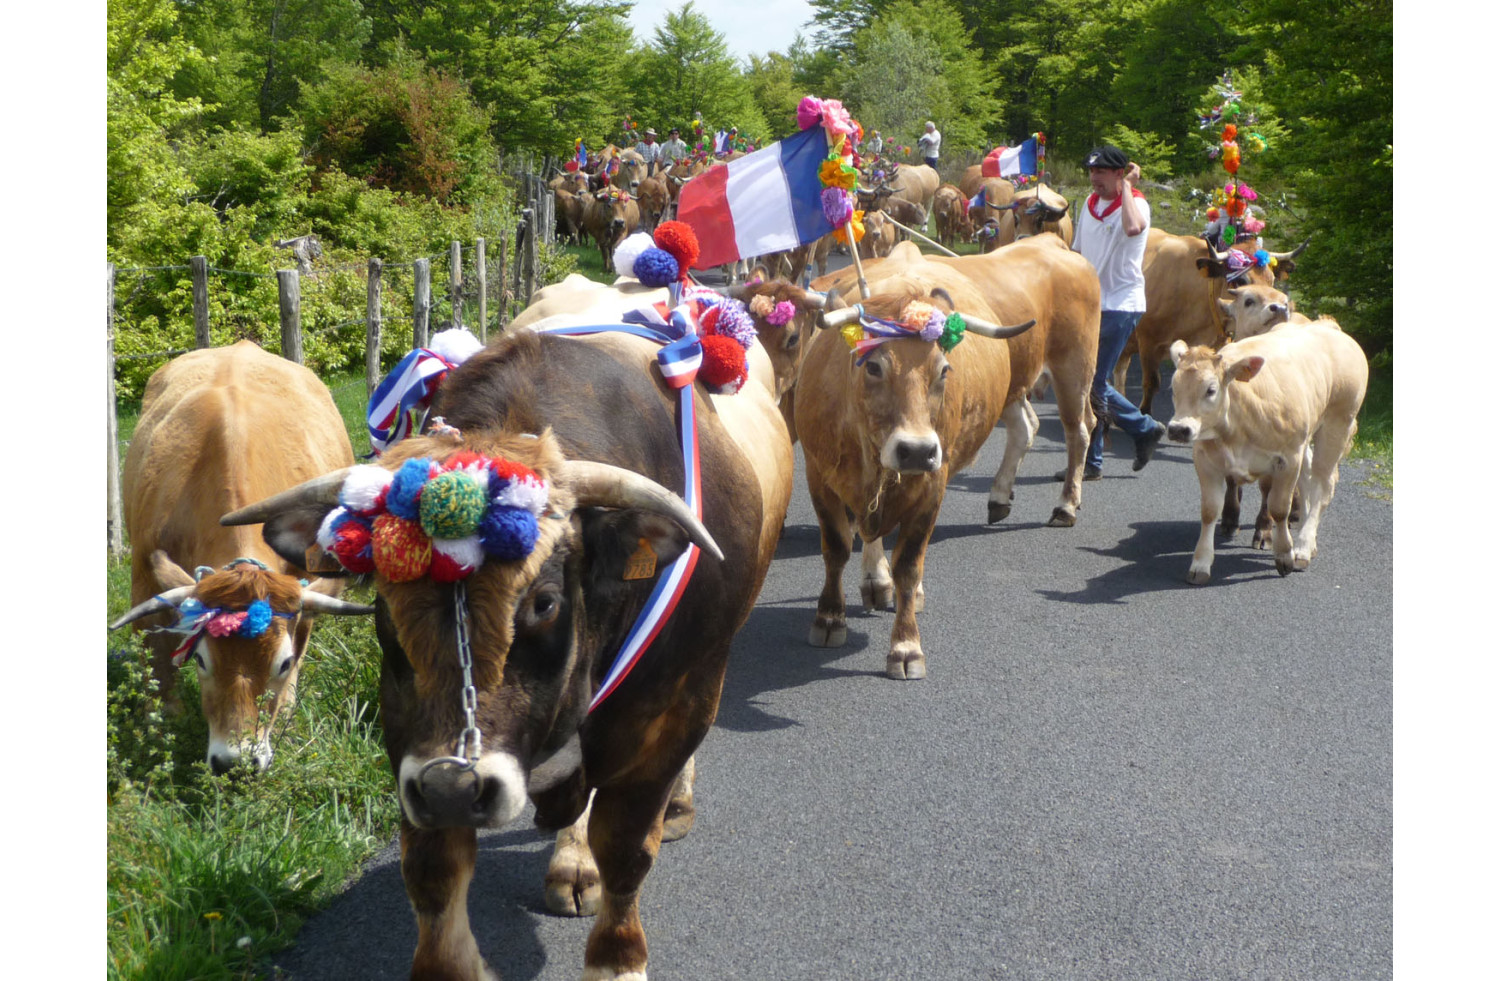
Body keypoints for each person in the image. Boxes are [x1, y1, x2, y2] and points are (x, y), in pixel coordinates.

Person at [1064, 144, 1166, 481]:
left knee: (1092, 381)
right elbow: (1077, 252)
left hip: (1122, 304)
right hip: (1091, 304)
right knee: (1092, 383)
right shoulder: (1090, 206)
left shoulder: (1136, 204)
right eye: (1091, 172)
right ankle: (1092, 463)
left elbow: (1134, 228)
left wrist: (1126, 187)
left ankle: (1144, 427)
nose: (1094, 177)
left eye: (1102, 172)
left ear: (1119, 175)